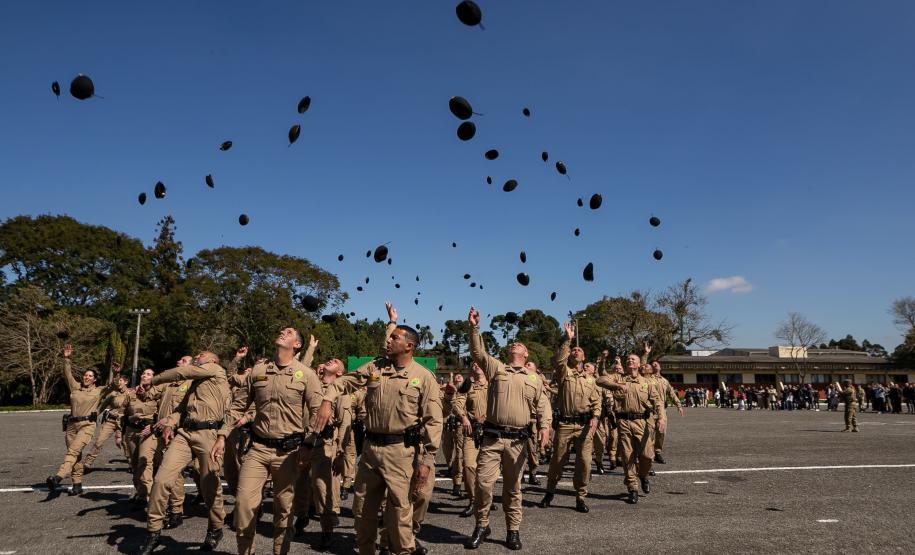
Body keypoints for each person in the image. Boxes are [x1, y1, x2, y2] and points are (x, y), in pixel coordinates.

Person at [311, 302, 442, 555]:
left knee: (400, 513)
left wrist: (426, 460)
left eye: (394, 337)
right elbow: (344, 382)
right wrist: (327, 400)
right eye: (390, 337)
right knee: (362, 511)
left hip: (401, 453)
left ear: (409, 346)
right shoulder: (375, 367)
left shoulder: (424, 377)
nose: (388, 341)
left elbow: (434, 422)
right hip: (371, 451)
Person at [463, 306, 552, 551]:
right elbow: (477, 351)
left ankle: (513, 530)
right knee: (482, 484)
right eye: (513, 344)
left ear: (526, 354)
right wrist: (474, 327)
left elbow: (543, 404)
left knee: (513, 489)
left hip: (517, 442)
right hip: (492, 438)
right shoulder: (496, 368)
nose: (515, 345)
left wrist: (544, 427)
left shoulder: (534, 379)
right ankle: (482, 525)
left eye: (520, 345)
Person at [138, 351, 231, 554]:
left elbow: (183, 371)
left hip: (209, 434)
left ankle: (215, 528)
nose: (198, 355)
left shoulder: (216, 370)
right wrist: (170, 422)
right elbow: (180, 410)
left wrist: (153, 380)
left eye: (202, 354)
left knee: (210, 487)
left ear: (213, 360)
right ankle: (153, 531)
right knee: (162, 480)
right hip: (185, 433)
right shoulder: (195, 384)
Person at [540, 322, 601, 513]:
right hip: (565, 424)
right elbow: (559, 361)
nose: (575, 351)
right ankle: (550, 491)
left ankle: (580, 497)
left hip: (584, 427)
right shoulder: (563, 372)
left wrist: (596, 416)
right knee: (558, 461)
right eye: (573, 350)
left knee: (584, 463)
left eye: (579, 350)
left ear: (584, 357)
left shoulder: (590, 379)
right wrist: (568, 339)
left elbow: (596, 402)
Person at [47, 345, 120, 496]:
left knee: (73, 451)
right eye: (85, 375)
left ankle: (58, 477)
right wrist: (66, 358)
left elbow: (113, 385)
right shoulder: (75, 387)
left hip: (87, 425)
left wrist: (116, 373)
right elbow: (67, 374)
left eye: (90, 376)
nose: (87, 377)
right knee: (75, 455)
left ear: (94, 380)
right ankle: (77, 484)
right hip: (71, 425)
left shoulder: (99, 390)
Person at [596, 353, 666, 505]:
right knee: (628, 457)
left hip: (643, 421)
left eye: (633, 359)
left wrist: (661, 417)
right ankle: (632, 488)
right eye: (627, 359)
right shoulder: (618, 378)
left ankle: (643, 475)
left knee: (647, 456)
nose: (629, 360)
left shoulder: (646, 382)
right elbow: (600, 380)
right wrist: (617, 386)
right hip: (624, 422)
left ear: (639, 364)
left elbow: (657, 402)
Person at [308, 358, 352, 550]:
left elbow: (344, 425)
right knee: (300, 486)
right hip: (302, 442)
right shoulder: (312, 384)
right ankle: (301, 516)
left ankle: (327, 531)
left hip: (325, 445)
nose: (330, 360)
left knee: (323, 489)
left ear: (340, 373)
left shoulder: (341, 393)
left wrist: (341, 453)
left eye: (336, 362)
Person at [110, 367, 160, 508]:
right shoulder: (131, 393)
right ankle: (140, 492)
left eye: (149, 374)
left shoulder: (157, 393)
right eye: (143, 373)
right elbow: (121, 414)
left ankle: (147, 497)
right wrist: (119, 433)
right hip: (131, 431)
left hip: (148, 431)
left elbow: (163, 413)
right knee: (134, 464)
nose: (145, 375)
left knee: (145, 462)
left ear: (154, 378)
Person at [453, 362, 488, 517]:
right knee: (468, 465)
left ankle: (486, 500)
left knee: (488, 470)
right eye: (473, 363)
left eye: (479, 363)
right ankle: (473, 500)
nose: (476, 365)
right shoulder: (467, 384)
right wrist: (464, 417)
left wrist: (487, 417)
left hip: (491, 431)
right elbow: (457, 403)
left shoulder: (495, 383)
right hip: (471, 430)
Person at [83, 370, 129, 472]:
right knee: (99, 441)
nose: (119, 382)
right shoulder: (113, 393)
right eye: (118, 380)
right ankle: (87, 464)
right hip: (111, 421)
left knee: (126, 443)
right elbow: (103, 406)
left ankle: (132, 465)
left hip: (123, 422)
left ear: (126, 382)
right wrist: (94, 415)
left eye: (121, 380)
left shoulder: (131, 393)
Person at [647, 359, 683, 464]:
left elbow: (671, 393)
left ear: (660, 367)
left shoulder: (664, 381)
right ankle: (649, 455)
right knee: (650, 434)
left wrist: (678, 405)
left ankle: (657, 452)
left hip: (662, 411)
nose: (654, 366)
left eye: (656, 364)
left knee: (661, 433)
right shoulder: (648, 379)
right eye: (652, 365)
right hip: (650, 411)